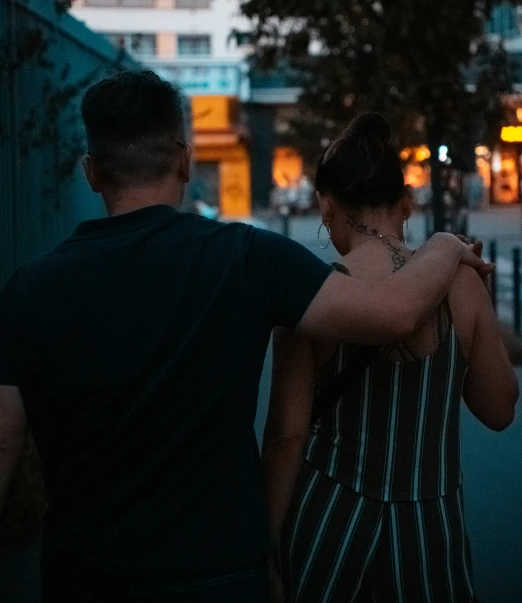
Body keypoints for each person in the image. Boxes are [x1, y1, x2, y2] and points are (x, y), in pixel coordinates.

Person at [0, 73, 491, 603]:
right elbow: (394, 313)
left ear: (92, 173)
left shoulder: (28, 292)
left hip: (85, 578)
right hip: (222, 576)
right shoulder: (247, 258)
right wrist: (444, 245)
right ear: (185, 161)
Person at [262, 113, 519, 603]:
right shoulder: (461, 281)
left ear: (326, 205)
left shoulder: (312, 296)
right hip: (428, 537)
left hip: (328, 527)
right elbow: (499, 408)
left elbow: (285, 438)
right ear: (406, 201)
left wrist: (267, 548)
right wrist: (477, 314)